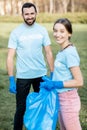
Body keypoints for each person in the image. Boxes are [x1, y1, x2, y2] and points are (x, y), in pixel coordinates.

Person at [6, 2, 54, 130]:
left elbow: (48, 52)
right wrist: (11, 78)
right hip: (23, 77)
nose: (29, 16)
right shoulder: (16, 32)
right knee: (21, 108)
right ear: (22, 15)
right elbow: (10, 57)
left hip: (41, 75)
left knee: (42, 106)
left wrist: (52, 73)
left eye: (32, 13)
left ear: (36, 13)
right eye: (26, 14)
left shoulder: (42, 30)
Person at [40, 18, 83, 130]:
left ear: (69, 33)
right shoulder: (63, 50)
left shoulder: (69, 53)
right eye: (55, 30)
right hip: (61, 98)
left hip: (68, 101)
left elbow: (79, 81)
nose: (57, 34)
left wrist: (56, 84)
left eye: (62, 31)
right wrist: (51, 81)